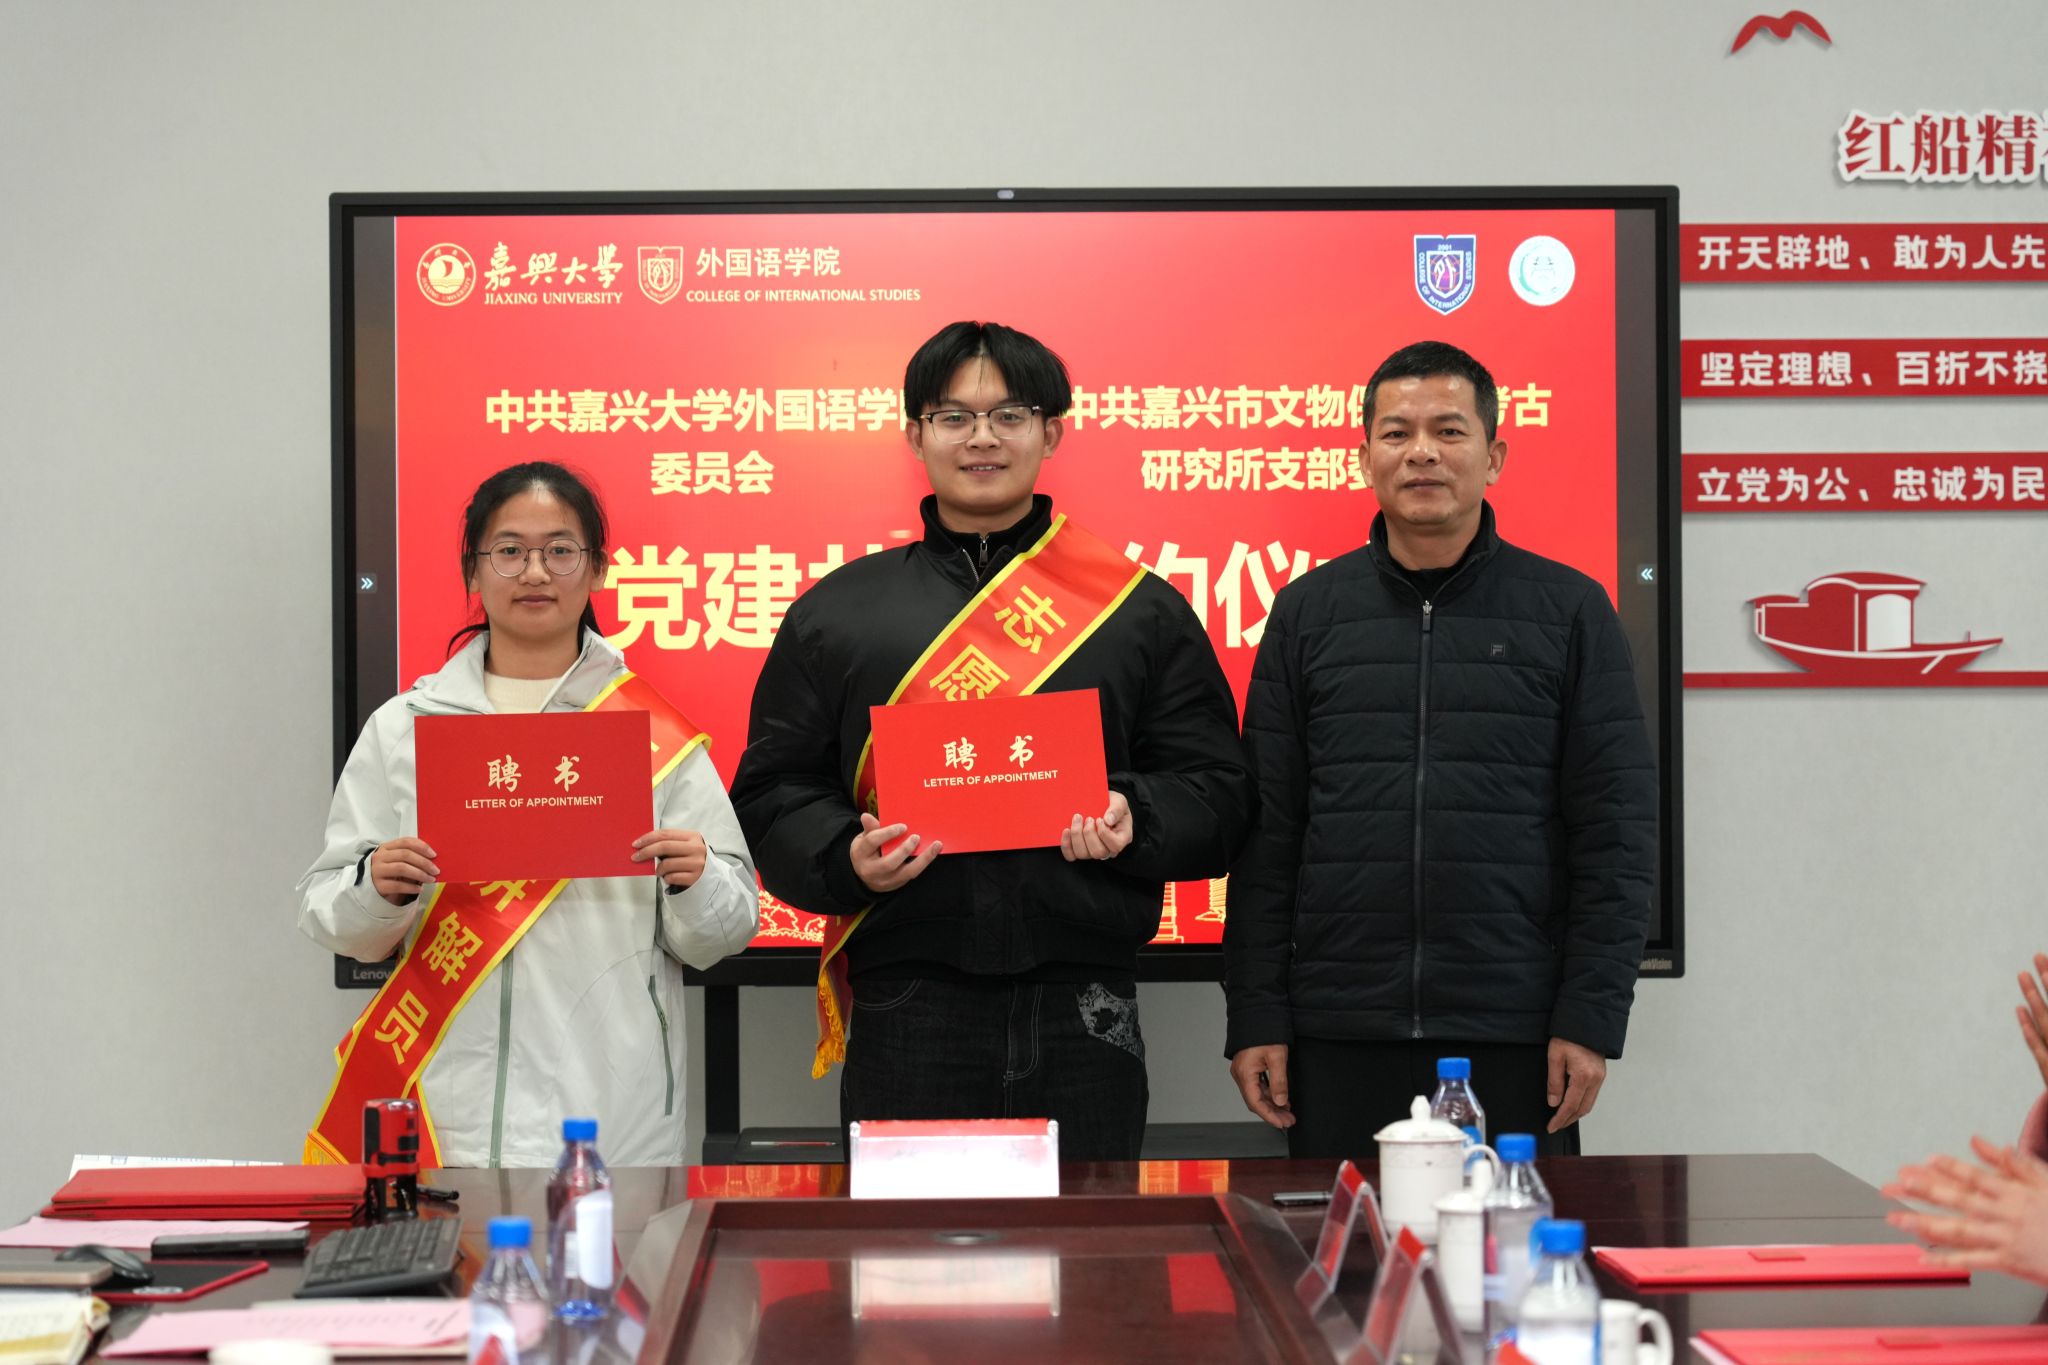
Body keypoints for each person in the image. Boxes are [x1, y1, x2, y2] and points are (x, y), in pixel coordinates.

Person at [729, 320, 1254, 1162]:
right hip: (909, 999)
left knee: (1090, 1244)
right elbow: (772, 792)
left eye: (1010, 415)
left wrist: (1136, 814)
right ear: (916, 434)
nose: (982, 438)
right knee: (909, 1248)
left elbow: (1221, 791)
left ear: (1052, 432)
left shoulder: (1138, 611)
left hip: (1087, 1000)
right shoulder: (839, 613)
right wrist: (844, 857)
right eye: (954, 416)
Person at [1222, 339, 1656, 1157]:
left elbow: (1617, 834)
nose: (1421, 451)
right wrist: (1256, 1014)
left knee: (1505, 1240)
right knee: (1346, 1242)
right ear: (1365, 459)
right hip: (1339, 1028)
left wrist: (1591, 1016)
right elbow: (1268, 836)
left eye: (1449, 430)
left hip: (1515, 1028)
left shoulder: (1570, 612)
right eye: (1397, 432)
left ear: (1494, 456)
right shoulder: (1308, 614)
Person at [298, 461, 758, 1167]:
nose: (535, 572)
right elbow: (331, 913)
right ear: (473, 572)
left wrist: (697, 880)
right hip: (447, 1107)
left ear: (598, 569)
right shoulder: (404, 728)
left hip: (614, 1109)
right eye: (509, 550)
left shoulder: (649, 733)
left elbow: (721, 933)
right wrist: (376, 887)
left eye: (560, 550)